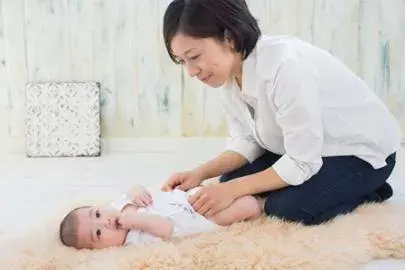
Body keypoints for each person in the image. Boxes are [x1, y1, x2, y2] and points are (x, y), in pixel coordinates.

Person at [161, 0, 401, 226]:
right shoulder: (228, 76)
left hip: (363, 154)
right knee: (228, 180)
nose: (191, 71)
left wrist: (233, 190)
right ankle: (338, 188)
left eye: (194, 57)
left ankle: (372, 189)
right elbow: (247, 140)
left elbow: (302, 161)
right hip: (308, 148)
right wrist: (200, 173)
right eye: (182, 61)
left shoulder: (286, 67)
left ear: (230, 38)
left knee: (287, 207)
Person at [59, 184, 264, 249]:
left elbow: (134, 189)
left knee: (228, 188)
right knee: (249, 205)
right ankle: (264, 202)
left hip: (187, 198)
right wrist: (134, 220)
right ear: (100, 249)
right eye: (98, 232)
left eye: (96, 214)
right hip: (199, 221)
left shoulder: (118, 206)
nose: (105, 222)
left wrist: (136, 192)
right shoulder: (133, 241)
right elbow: (165, 228)